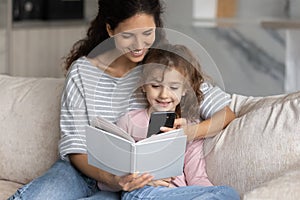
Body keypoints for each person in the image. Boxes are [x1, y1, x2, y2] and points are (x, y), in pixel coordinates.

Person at [8, 0, 237, 199]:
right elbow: (75, 146)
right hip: (84, 173)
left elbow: (226, 113)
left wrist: (191, 133)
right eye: (128, 36)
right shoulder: (83, 73)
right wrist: (113, 178)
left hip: (134, 186)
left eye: (148, 33)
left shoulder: (164, 66)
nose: (139, 46)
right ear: (110, 29)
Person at [112, 44, 239, 199]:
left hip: (178, 194)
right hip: (143, 192)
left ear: (185, 90)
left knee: (227, 193)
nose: (164, 94)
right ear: (144, 86)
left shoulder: (189, 128)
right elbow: (111, 176)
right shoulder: (128, 121)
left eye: (173, 87)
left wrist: (209, 193)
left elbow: (197, 176)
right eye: (155, 85)